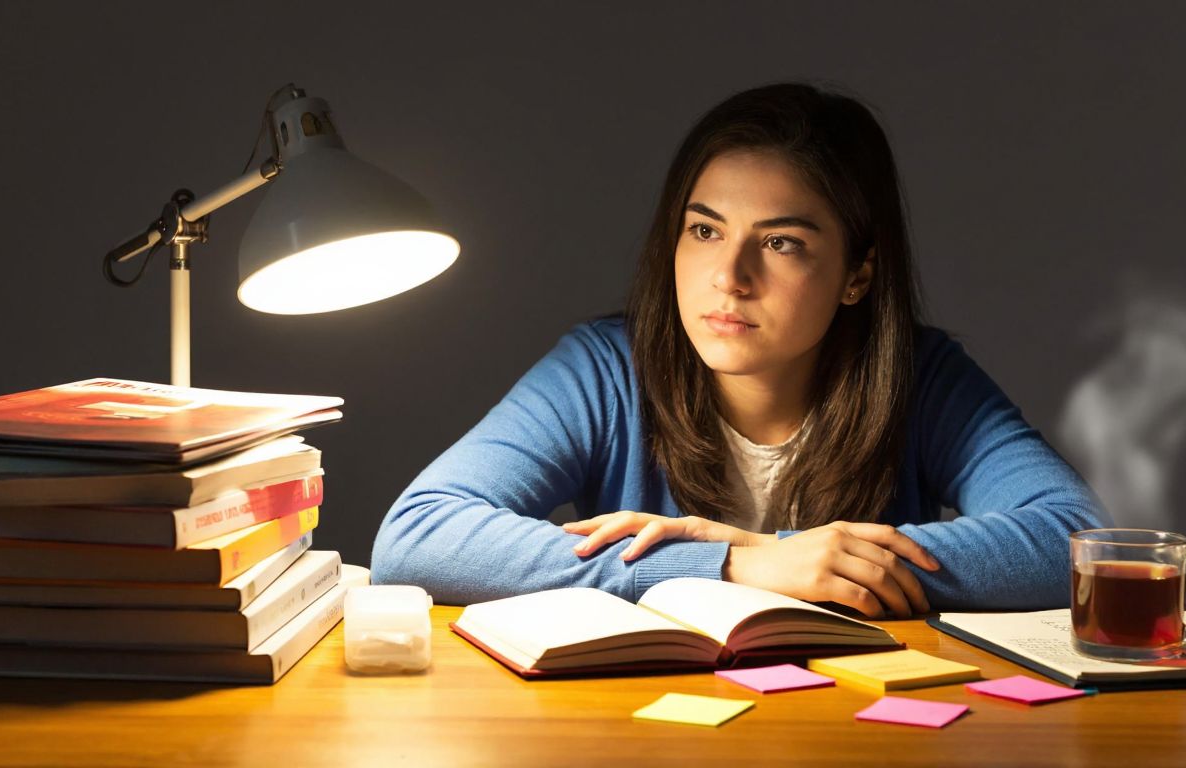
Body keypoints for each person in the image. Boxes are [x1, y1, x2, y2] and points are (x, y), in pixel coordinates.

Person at [371, 82, 1107, 616]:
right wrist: (735, 562)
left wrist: (806, 558)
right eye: (705, 230)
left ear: (858, 273)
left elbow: (1074, 542)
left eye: (782, 243)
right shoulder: (605, 368)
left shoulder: (920, 378)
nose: (730, 277)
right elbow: (420, 536)